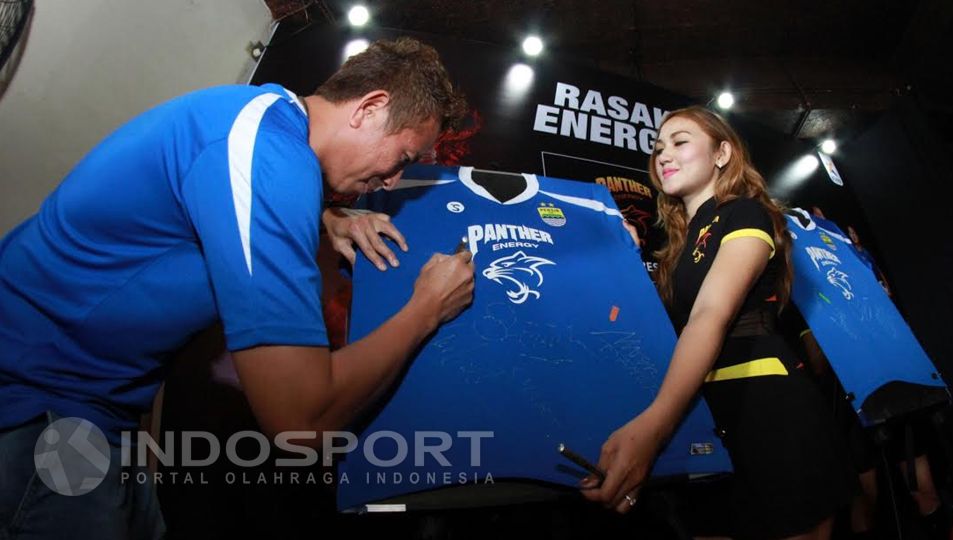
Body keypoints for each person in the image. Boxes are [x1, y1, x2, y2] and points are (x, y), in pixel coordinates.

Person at [0, 37, 473, 539]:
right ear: (369, 108)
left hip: (92, 410)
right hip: (37, 401)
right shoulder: (269, 160)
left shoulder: (262, 124)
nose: (392, 181)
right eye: (403, 157)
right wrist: (426, 308)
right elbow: (299, 421)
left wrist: (323, 219)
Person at [581, 106, 854, 539]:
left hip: (768, 408)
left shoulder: (745, 213)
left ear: (722, 153)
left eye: (680, 142)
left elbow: (711, 314)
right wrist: (624, 262)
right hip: (703, 419)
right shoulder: (674, 250)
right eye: (658, 148)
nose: (663, 155)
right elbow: (647, 333)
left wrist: (653, 427)